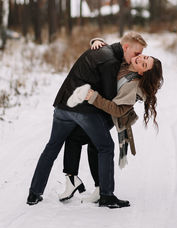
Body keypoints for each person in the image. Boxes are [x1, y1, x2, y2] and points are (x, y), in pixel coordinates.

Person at [26, 31, 147, 208]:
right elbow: (108, 95)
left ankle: (34, 193)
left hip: (63, 105)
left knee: (52, 147)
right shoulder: (111, 62)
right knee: (105, 146)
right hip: (82, 109)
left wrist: (97, 39)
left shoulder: (104, 50)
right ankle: (106, 195)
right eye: (137, 53)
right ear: (126, 47)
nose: (139, 57)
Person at [59, 53, 163, 203]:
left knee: (77, 139)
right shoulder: (126, 62)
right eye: (145, 58)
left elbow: (118, 110)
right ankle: (98, 188)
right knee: (92, 145)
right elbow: (111, 52)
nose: (141, 59)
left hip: (105, 116)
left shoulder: (133, 85)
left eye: (145, 65)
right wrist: (97, 41)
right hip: (95, 112)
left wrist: (93, 97)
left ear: (142, 73)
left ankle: (86, 185)